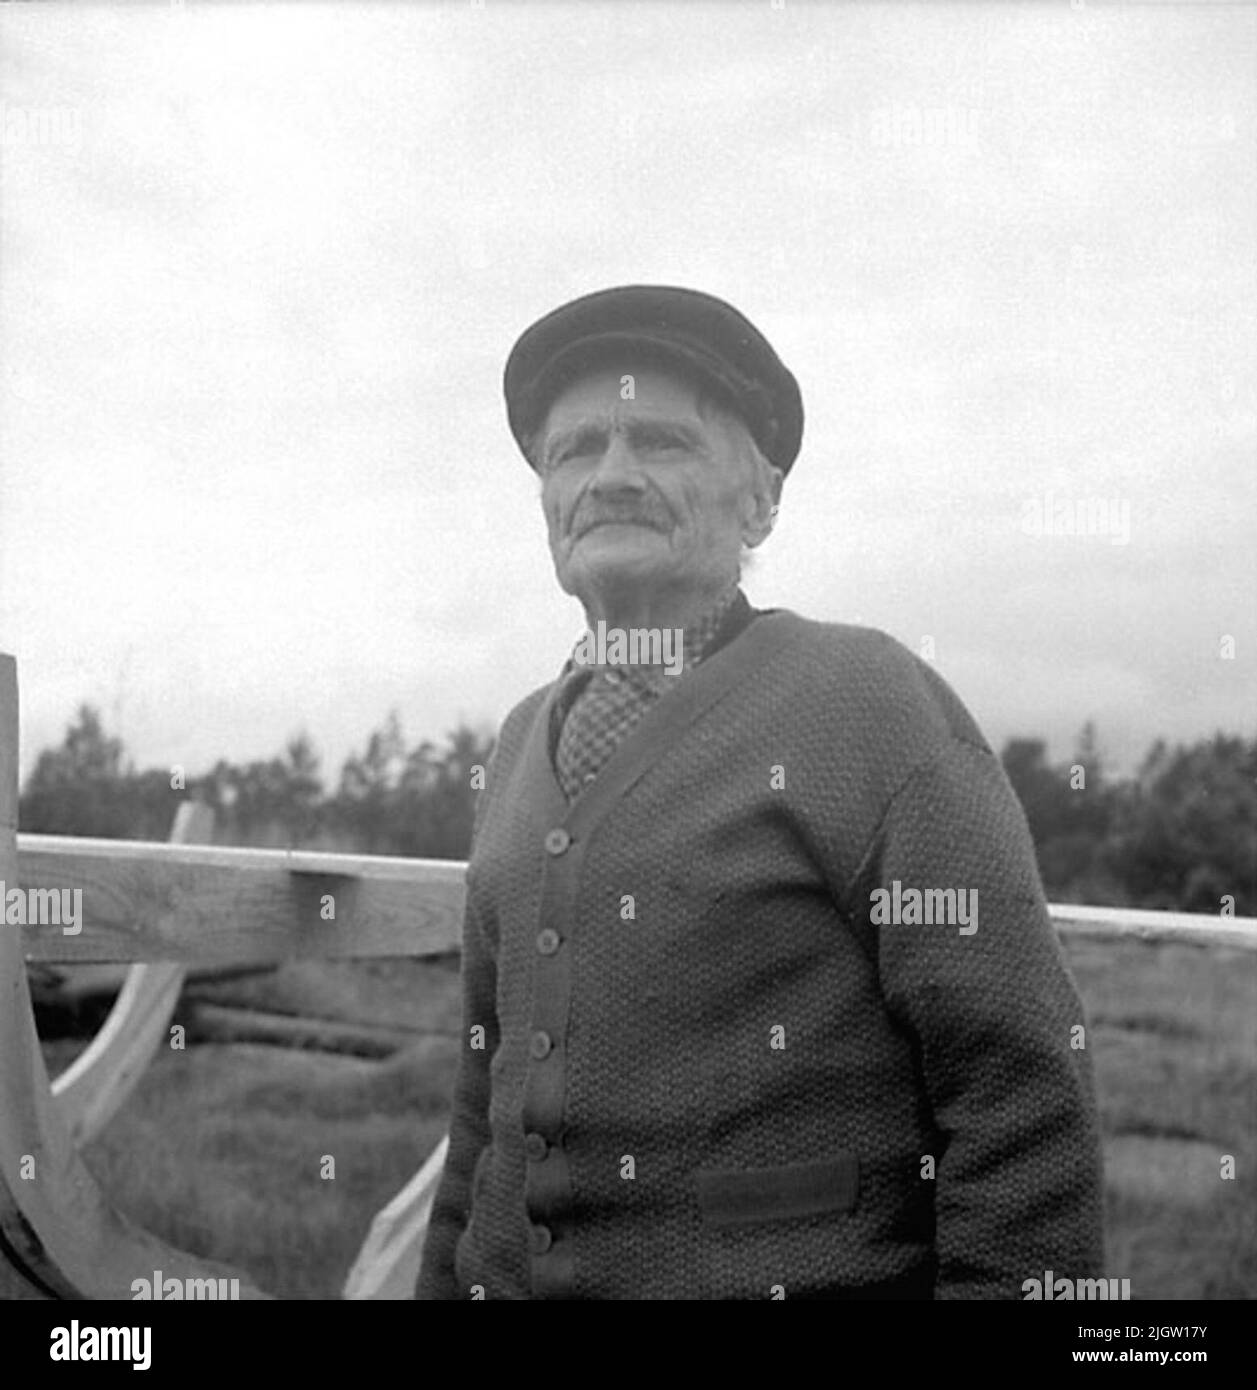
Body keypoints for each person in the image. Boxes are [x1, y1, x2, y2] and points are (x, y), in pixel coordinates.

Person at [415, 284, 1104, 1300]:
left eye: (659, 441)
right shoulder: (519, 742)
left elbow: (1019, 1091)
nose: (610, 476)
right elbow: (482, 1100)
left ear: (762, 499)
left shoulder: (870, 703)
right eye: (574, 451)